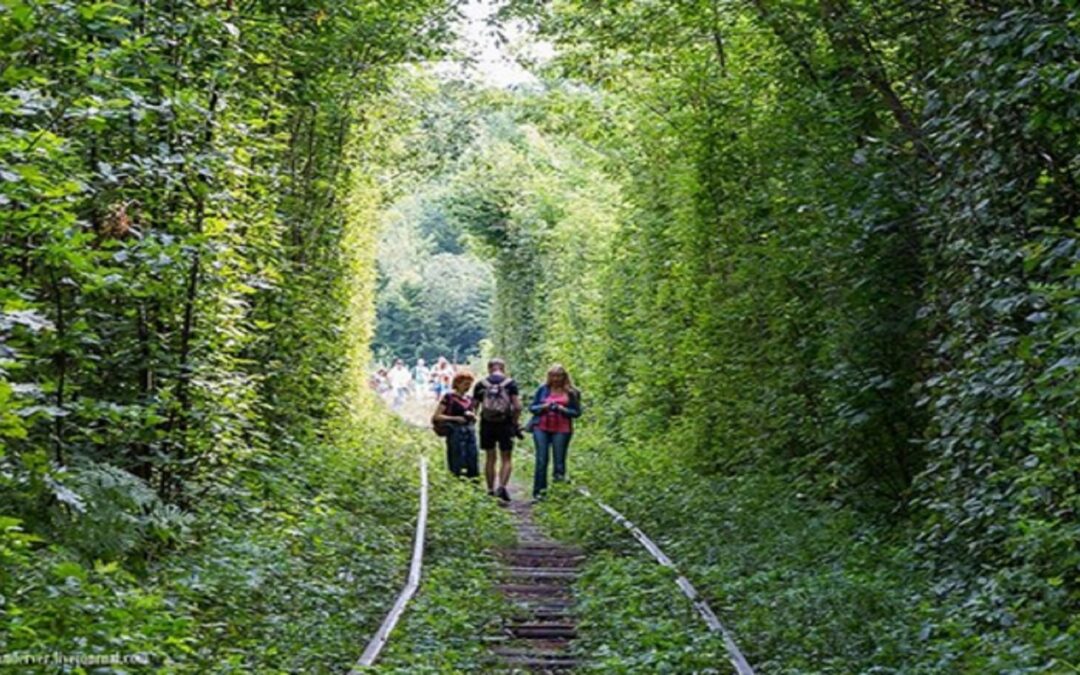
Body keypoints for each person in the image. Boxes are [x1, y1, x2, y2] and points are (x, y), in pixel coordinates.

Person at [528, 364, 582, 499]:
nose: (556, 379)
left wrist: (563, 410)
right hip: (541, 427)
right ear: (549, 377)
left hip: (562, 429)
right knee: (541, 459)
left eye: (559, 376)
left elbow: (577, 412)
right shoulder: (542, 389)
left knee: (559, 461)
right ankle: (539, 493)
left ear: (564, 377)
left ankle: (558, 493)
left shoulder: (572, 392)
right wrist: (544, 407)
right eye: (553, 376)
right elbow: (532, 407)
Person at [473, 358, 522, 501]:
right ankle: (502, 486)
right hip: (505, 423)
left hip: (487, 423)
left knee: (490, 457)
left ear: (489, 368)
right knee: (506, 457)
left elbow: (473, 406)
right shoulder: (510, 384)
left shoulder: (481, 384)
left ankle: (489, 489)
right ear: (503, 368)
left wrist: (473, 419)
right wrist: (515, 422)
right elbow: (518, 406)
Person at [432, 371, 479, 478]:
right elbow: (437, 416)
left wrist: (473, 417)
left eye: (469, 384)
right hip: (454, 432)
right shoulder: (448, 397)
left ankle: (473, 481)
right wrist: (455, 418)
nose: (468, 387)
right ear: (457, 384)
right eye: (465, 384)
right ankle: (456, 480)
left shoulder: (470, 399)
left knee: (472, 458)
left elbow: (474, 418)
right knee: (456, 458)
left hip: (469, 432)